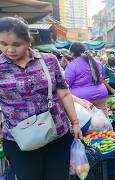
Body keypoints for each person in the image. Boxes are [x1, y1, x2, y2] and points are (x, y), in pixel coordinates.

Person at [0, 17, 82, 180]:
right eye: (3, 44)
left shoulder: (49, 61)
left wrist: (75, 122)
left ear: (29, 41)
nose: (10, 50)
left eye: (16, 44)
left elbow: (64, 93)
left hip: (56, 133)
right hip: (18, 140)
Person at [65, 42, 108, 112]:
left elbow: (66, 84)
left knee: (87, 121)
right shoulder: (97, 62)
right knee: (103, 120)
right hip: (101, 95)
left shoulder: (72, 65)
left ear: (72, 53)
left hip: (82, 100)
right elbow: (101, 79)